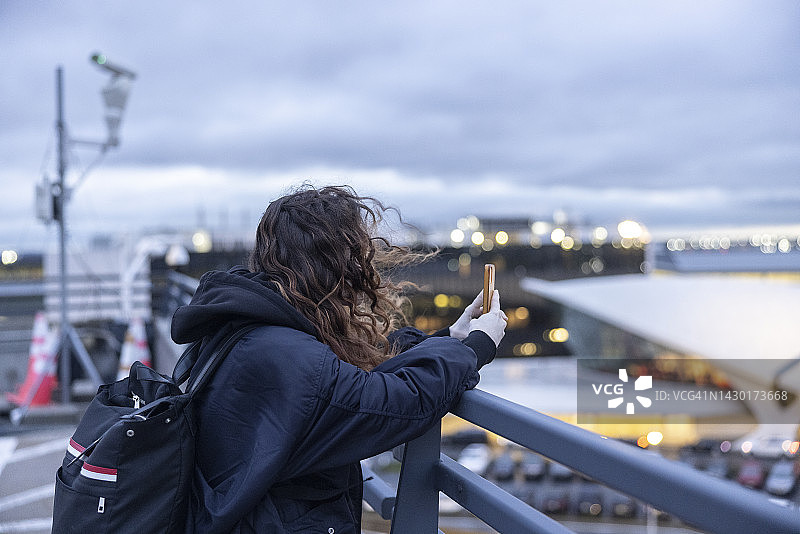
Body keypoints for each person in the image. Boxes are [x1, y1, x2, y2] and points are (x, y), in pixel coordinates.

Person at [170, 185, 507, 533]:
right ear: (330, 265)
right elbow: (396, 402)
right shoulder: (287, 355)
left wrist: (451, 338)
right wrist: (477, 347)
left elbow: (353, 377)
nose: (361, 269)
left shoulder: (254, 329)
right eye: (355, 256)